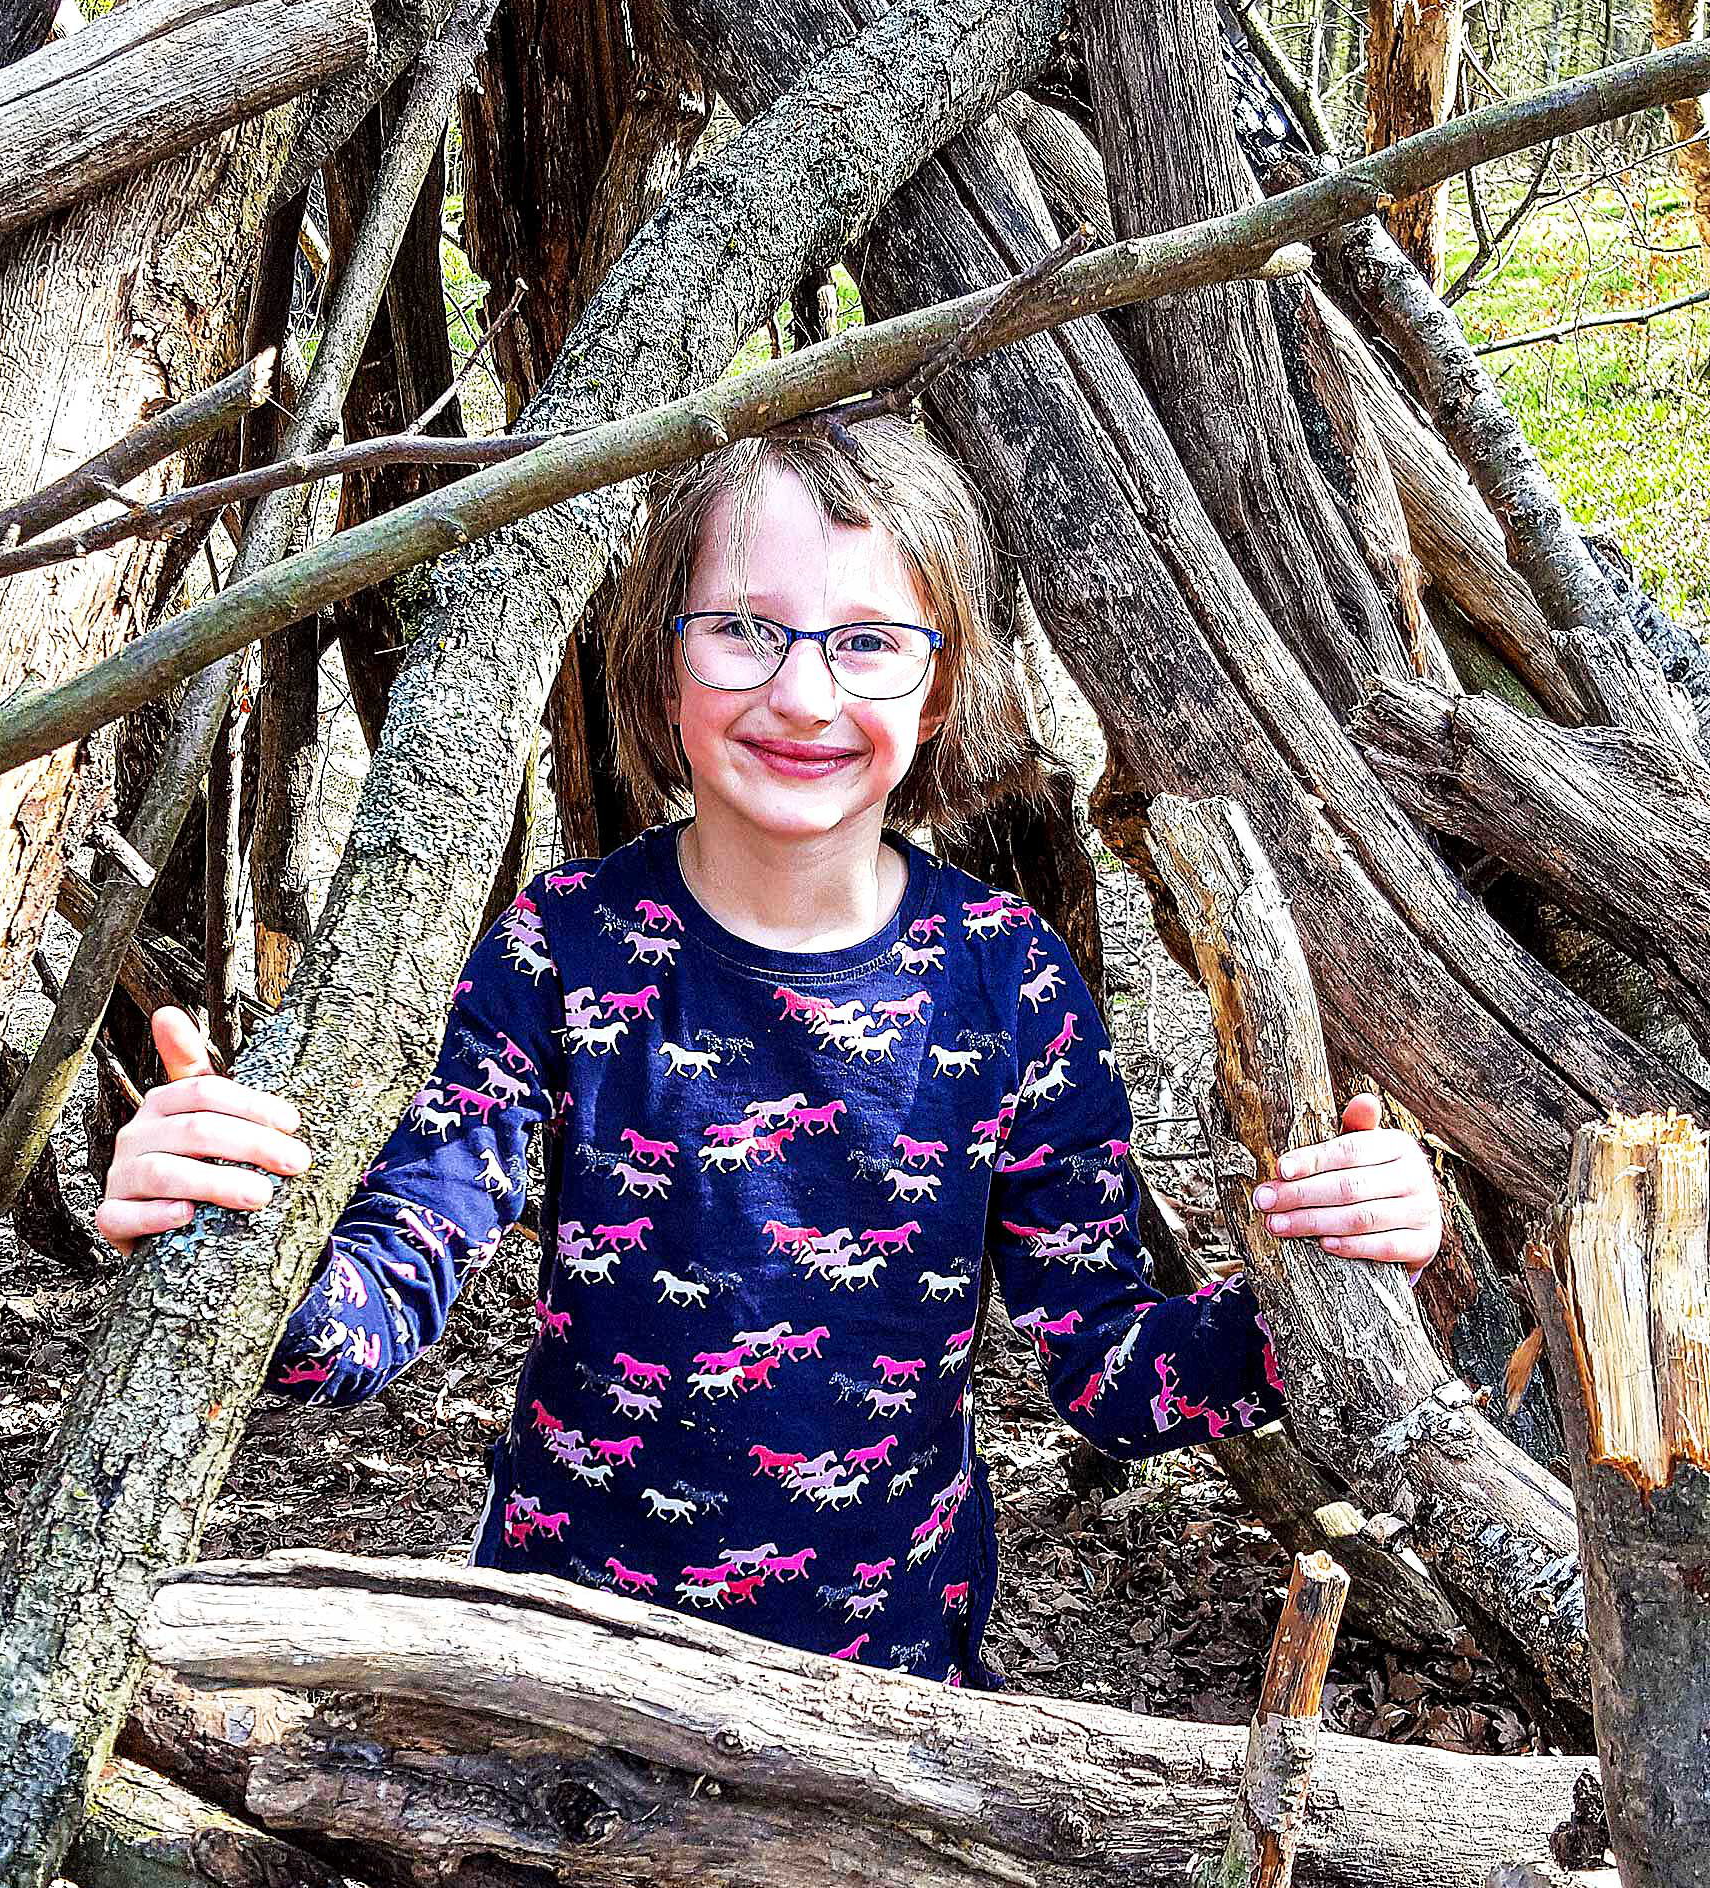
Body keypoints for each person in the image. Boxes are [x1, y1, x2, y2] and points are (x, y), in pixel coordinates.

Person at [96, 416, 1441, 1689]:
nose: (801, 693)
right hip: (571, 1669)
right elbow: (379, 1297)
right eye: (743, 630)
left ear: (942, 679)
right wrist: (219, 1231)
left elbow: (1111, 1372)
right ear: (659, 655)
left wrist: (1339, 1286)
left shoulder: (1007, 973)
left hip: (891, 1693)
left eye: (868, 643)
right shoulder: (559, 946)